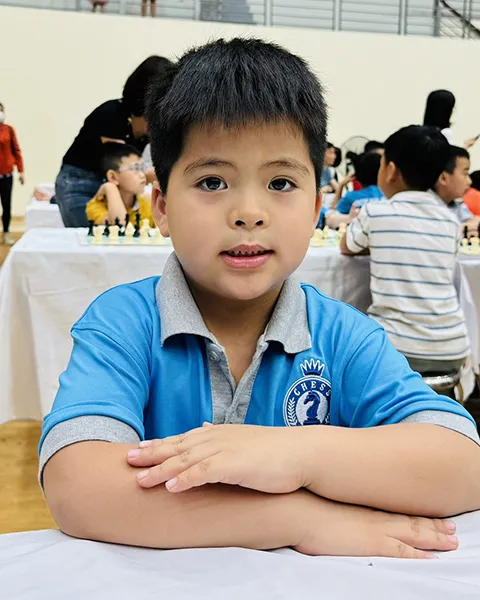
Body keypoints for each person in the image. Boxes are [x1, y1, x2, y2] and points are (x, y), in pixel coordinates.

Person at [41, 40, 480, 560]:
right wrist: (298, 519)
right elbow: (77, 485)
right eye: (212, 181)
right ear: (162, 206)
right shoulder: (125, 323)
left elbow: (463, 465)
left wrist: (294, 455)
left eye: (280, 182)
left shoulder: (344, 335)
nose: (249, 212)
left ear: (315, 207)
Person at [341, 125, 470, 377]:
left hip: (397, 348)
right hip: (452, 348)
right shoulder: (450, 221)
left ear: (390, 170)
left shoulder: (376, 212)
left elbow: (347, 246)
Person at [55, 56, 172, 228]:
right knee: (95, 238)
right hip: (79, 184)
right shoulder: (110, 115)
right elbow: (121, 169)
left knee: (117, 236)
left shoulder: (152, 127)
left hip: (115, 186)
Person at [86, 143, 154, 227]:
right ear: (113, 176)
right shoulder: (96, 206)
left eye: (142, 168)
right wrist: (110, 188)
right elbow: (119, 226)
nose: (142, 175)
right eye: (135, 168)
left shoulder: (146, 202)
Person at [327, 152, 383, 229]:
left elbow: (332, 214)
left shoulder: (351, 197)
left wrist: (341, 185)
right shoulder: (387, 196)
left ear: (356, 176)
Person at [434, 145, 480, 236]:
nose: (469, 181)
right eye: (465, 174)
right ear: (443, 178)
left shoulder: (457, 203)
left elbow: (472, 222)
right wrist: (462, 228)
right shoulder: (426, 206)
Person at [0, 102, 24, 246]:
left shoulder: (9, 130)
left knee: (6, 205)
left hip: (6, 176)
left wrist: (21, 171)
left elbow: (16, 150)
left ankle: (6, 232)